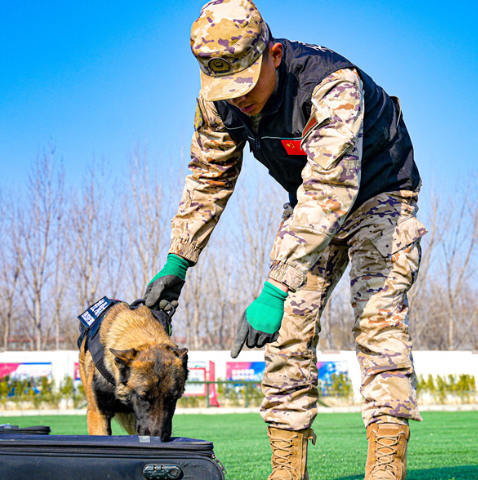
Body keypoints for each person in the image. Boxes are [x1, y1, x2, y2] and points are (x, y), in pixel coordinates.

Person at [144, 1, 425, 478]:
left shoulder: (332, 86)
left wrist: (275, 287)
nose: (239, 100)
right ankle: (287, 466)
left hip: (380, 195)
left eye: (247, 86)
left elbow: (330, 190)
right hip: (308, 204)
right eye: (226, 90)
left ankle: (385, 462)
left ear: (273, 54)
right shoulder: (219, 101)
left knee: (378, 323)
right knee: (286, 334)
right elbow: (209, 178)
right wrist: (178, 260)